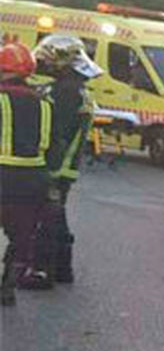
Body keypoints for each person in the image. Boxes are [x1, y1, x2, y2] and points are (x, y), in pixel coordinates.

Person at [33, 34, 102, 284]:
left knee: (47, 219)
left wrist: (48, 170)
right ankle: (63, 268)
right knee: (56, 215)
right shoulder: (76, 89)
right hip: (66, 167)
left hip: (57, 167)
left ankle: (43, 271)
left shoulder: (65, 92)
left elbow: (57, 135)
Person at [0, 42, 54, 306]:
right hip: (33, 179)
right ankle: (7, 287)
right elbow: (54, 145)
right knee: (22, 236)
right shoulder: (44, 103)